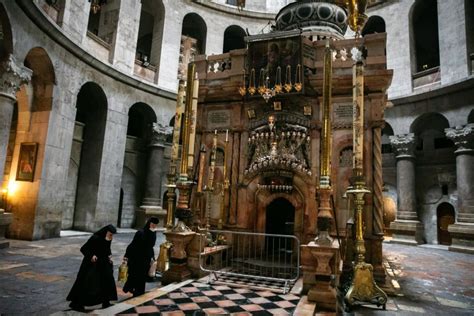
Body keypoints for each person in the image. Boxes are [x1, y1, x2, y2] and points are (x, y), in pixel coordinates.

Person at [67, 225, 118, 312]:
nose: (111, 236)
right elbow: (83, 249)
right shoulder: (95, 238)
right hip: (92, 265)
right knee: (88, 285)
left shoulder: (109, 238)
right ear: (105, 232)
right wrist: (92, 255)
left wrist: (109, 255)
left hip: (104, 264)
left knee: (107, 281)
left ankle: (106, 302)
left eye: (112, 235)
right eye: (110, 234)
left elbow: (107, 248)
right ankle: (77, 303)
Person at [123, 217, 159, 297]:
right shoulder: (140, 232)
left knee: (142, 275)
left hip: (146, 258)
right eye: (152, 224)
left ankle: (138, 291)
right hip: (136, 257)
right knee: (135, 274)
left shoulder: (153, 233)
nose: (153, 226)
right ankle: (132, 289)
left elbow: (151, 246)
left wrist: (152, 257)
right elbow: (133, 244)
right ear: (149, 223)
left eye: (155, 225)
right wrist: (126, 255)